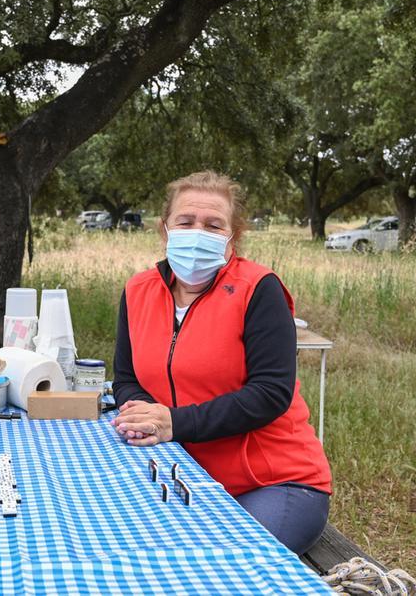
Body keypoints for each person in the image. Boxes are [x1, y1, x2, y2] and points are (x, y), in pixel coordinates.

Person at [110, 171, 331, 554]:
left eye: (213, 225)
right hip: (182, 468)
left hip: (272, 481)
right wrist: (142, 415)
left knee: (219, 567)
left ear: (232, 239)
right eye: (186, 221)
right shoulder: (137, 291)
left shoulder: (259, 289)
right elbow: (126, 378)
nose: (198, 232)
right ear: (165, 230)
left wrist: (174, 423)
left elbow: (270, 394)